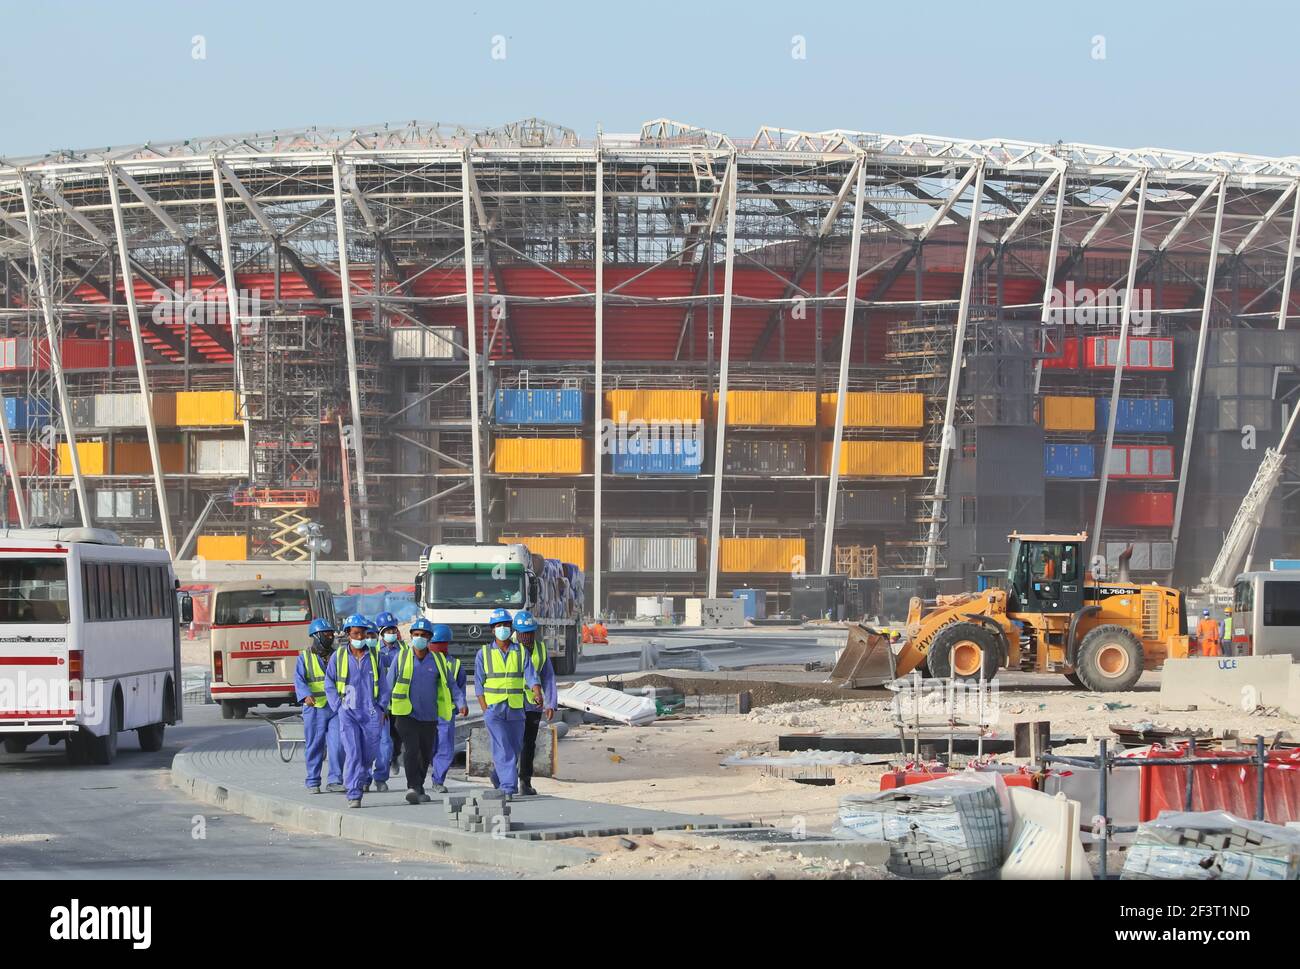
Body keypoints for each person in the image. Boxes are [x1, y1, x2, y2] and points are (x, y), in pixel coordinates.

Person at [325, 614, 392, 808]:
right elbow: (329, 683)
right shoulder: (338, 657)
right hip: (348, 712)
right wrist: (338, 706)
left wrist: (381, 707)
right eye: (356, 633)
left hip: (371, 713)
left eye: (363, 633)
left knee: (368, 755)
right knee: (353, 753)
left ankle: (360, 780)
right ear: (348, 634)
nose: (360, 637)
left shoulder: (374, 656)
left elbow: (384, 684)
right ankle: (354, 793)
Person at [474, 608, 541, 797]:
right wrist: (485, 709)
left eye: (505, 625)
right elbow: (479, 685)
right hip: (494, 710)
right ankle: (508, 788)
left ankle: (498, 775)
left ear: (511, 628)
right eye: (498, 626)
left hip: (516, 708)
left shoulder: (520, 651)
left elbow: (530, 675)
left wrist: (537, 692)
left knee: (514, 747)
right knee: (503, 747)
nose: (502, 628)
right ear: (492, 630)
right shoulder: (484, 654)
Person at [385, 618, 443, 805]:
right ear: (411, 636)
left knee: (425, 753)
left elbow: (448, 685)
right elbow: (388, 684)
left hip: (429, 714)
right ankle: (412, 786)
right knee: (411, 749)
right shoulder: (400, 658)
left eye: (423, 635)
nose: (419, 638)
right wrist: (383, 708)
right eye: (416, 635)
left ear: (430, 638)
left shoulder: (437, 661)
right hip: (405, 714)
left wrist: (460, 702)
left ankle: (419, 786)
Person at [511, 610, 556, 797]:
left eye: (530, 632)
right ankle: (505, 777)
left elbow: (548, 677)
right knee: (512, 743)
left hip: (532, 705)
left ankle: (525, 782)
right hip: (511, 704)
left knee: (529, 744)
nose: (527, 637)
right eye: (524, 633)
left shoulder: (540, 649)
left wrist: (551, 703)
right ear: (516, 632)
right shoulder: (508, 648)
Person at [293, 618, 339, 794]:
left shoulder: (337, 655)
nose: (330, 636)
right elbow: (299, 679)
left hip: (335, 708)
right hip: (315, 709)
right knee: (315, 745)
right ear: (316, 636)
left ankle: (335, 780)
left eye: (331, 633)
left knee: (338, 745)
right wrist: (305, 695)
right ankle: (313, 780)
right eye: (326, 633)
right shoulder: (304, 658)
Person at [422, 619, 468, 794]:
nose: (438, 647)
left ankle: (438, 779)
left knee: (445, 748)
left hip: (445, 713)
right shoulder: (421, 661)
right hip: (425, 711)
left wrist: (461, 704)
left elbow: (459, 687)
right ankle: (421, 780)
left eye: (440, 644)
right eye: (435, 643)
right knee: (428, 747)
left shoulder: (455, 665)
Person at [372, 611, 404, 788]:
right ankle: (379, 777)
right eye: (388, 630)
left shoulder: (404, 650)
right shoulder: (374, 651)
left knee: (396, 736)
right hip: (380, 703)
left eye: (394, 629)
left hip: (399, 702)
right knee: (383, 740)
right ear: (381, 632)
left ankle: (394, 757)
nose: (392, 633)